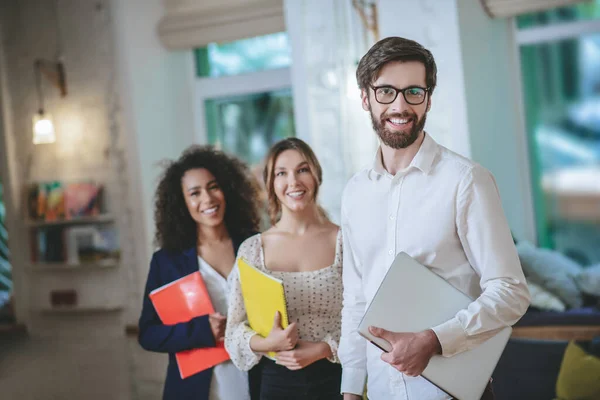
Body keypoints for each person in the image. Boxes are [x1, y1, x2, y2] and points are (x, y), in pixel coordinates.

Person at [338, 37, 531, 400]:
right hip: (381, 391)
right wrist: (350, 387)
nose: (400, 105)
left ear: (428, 97)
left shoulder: (466, 180)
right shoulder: (354, 193)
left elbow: (511, 291)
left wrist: (434, 340)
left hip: (450, 392)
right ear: (365, 98)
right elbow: (356, 301)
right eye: (386, 92)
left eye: (413, 91)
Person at [138, 146, 262, 400]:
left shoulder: (255, 245)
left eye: (213, 187)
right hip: (200, 389)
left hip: (258, 381)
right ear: (182, 203)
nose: (207, 199)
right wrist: (200, 330)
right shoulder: (167, 261)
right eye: (195, 193)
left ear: (226, 189)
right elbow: (148, 334)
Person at [225, 138, 343, 400]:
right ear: (271, 184)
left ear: (316, 175)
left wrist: (324, 349)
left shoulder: (345, 242)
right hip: (275, 383)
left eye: (302, 170)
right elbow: (233, 333)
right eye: (282, 173)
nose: (294, 182)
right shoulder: (253, 250)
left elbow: (367, 319)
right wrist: (268, 344)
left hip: (338, 380)